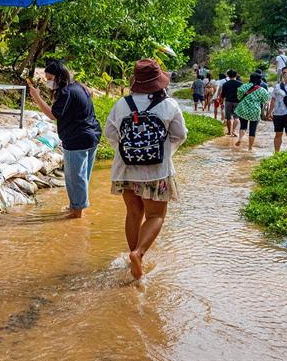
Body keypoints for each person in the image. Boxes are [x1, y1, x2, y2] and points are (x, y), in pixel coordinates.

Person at [104, 59, 187, 280]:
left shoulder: (122, 104)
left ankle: (133, 257)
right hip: (157, 171)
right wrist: (163, 152)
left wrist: (128, 152)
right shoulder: (169, 105)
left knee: (133, 213)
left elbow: (110, 133)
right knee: (155, 215)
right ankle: (138, 253)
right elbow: (180, 135)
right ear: (159, 82)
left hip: (125, 170)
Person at [28, 60, 101, 218]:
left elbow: (53, 115)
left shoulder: (66, 92)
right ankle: (76, 207)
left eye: (49, 79)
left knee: (75, 178)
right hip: (91, 136)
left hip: (77, 139)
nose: (48, 82)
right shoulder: (78, 87)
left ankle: (77, 214)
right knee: (82, 177)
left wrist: (37, 97)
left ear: (58, 77)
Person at [234, 72, 270, 151]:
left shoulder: (243, 87)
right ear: (260, 80)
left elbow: (239, 97)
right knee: (252, 130)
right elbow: (265, 101)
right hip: (255, 111)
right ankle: (250, 148)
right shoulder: (262, 90)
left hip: (243, 109)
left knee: (243, 126)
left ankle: (240, 139)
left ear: (250, 78)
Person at [220, 70, 243, 136]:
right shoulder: (240, 84)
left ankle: (229, 132)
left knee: (228, 117)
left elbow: (222, 95)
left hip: (228, 102)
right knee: (236, 117)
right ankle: (234, 131)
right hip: (237, 102)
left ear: (228, 76)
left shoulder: (225, 84)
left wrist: (221, 103)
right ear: (236, 75)